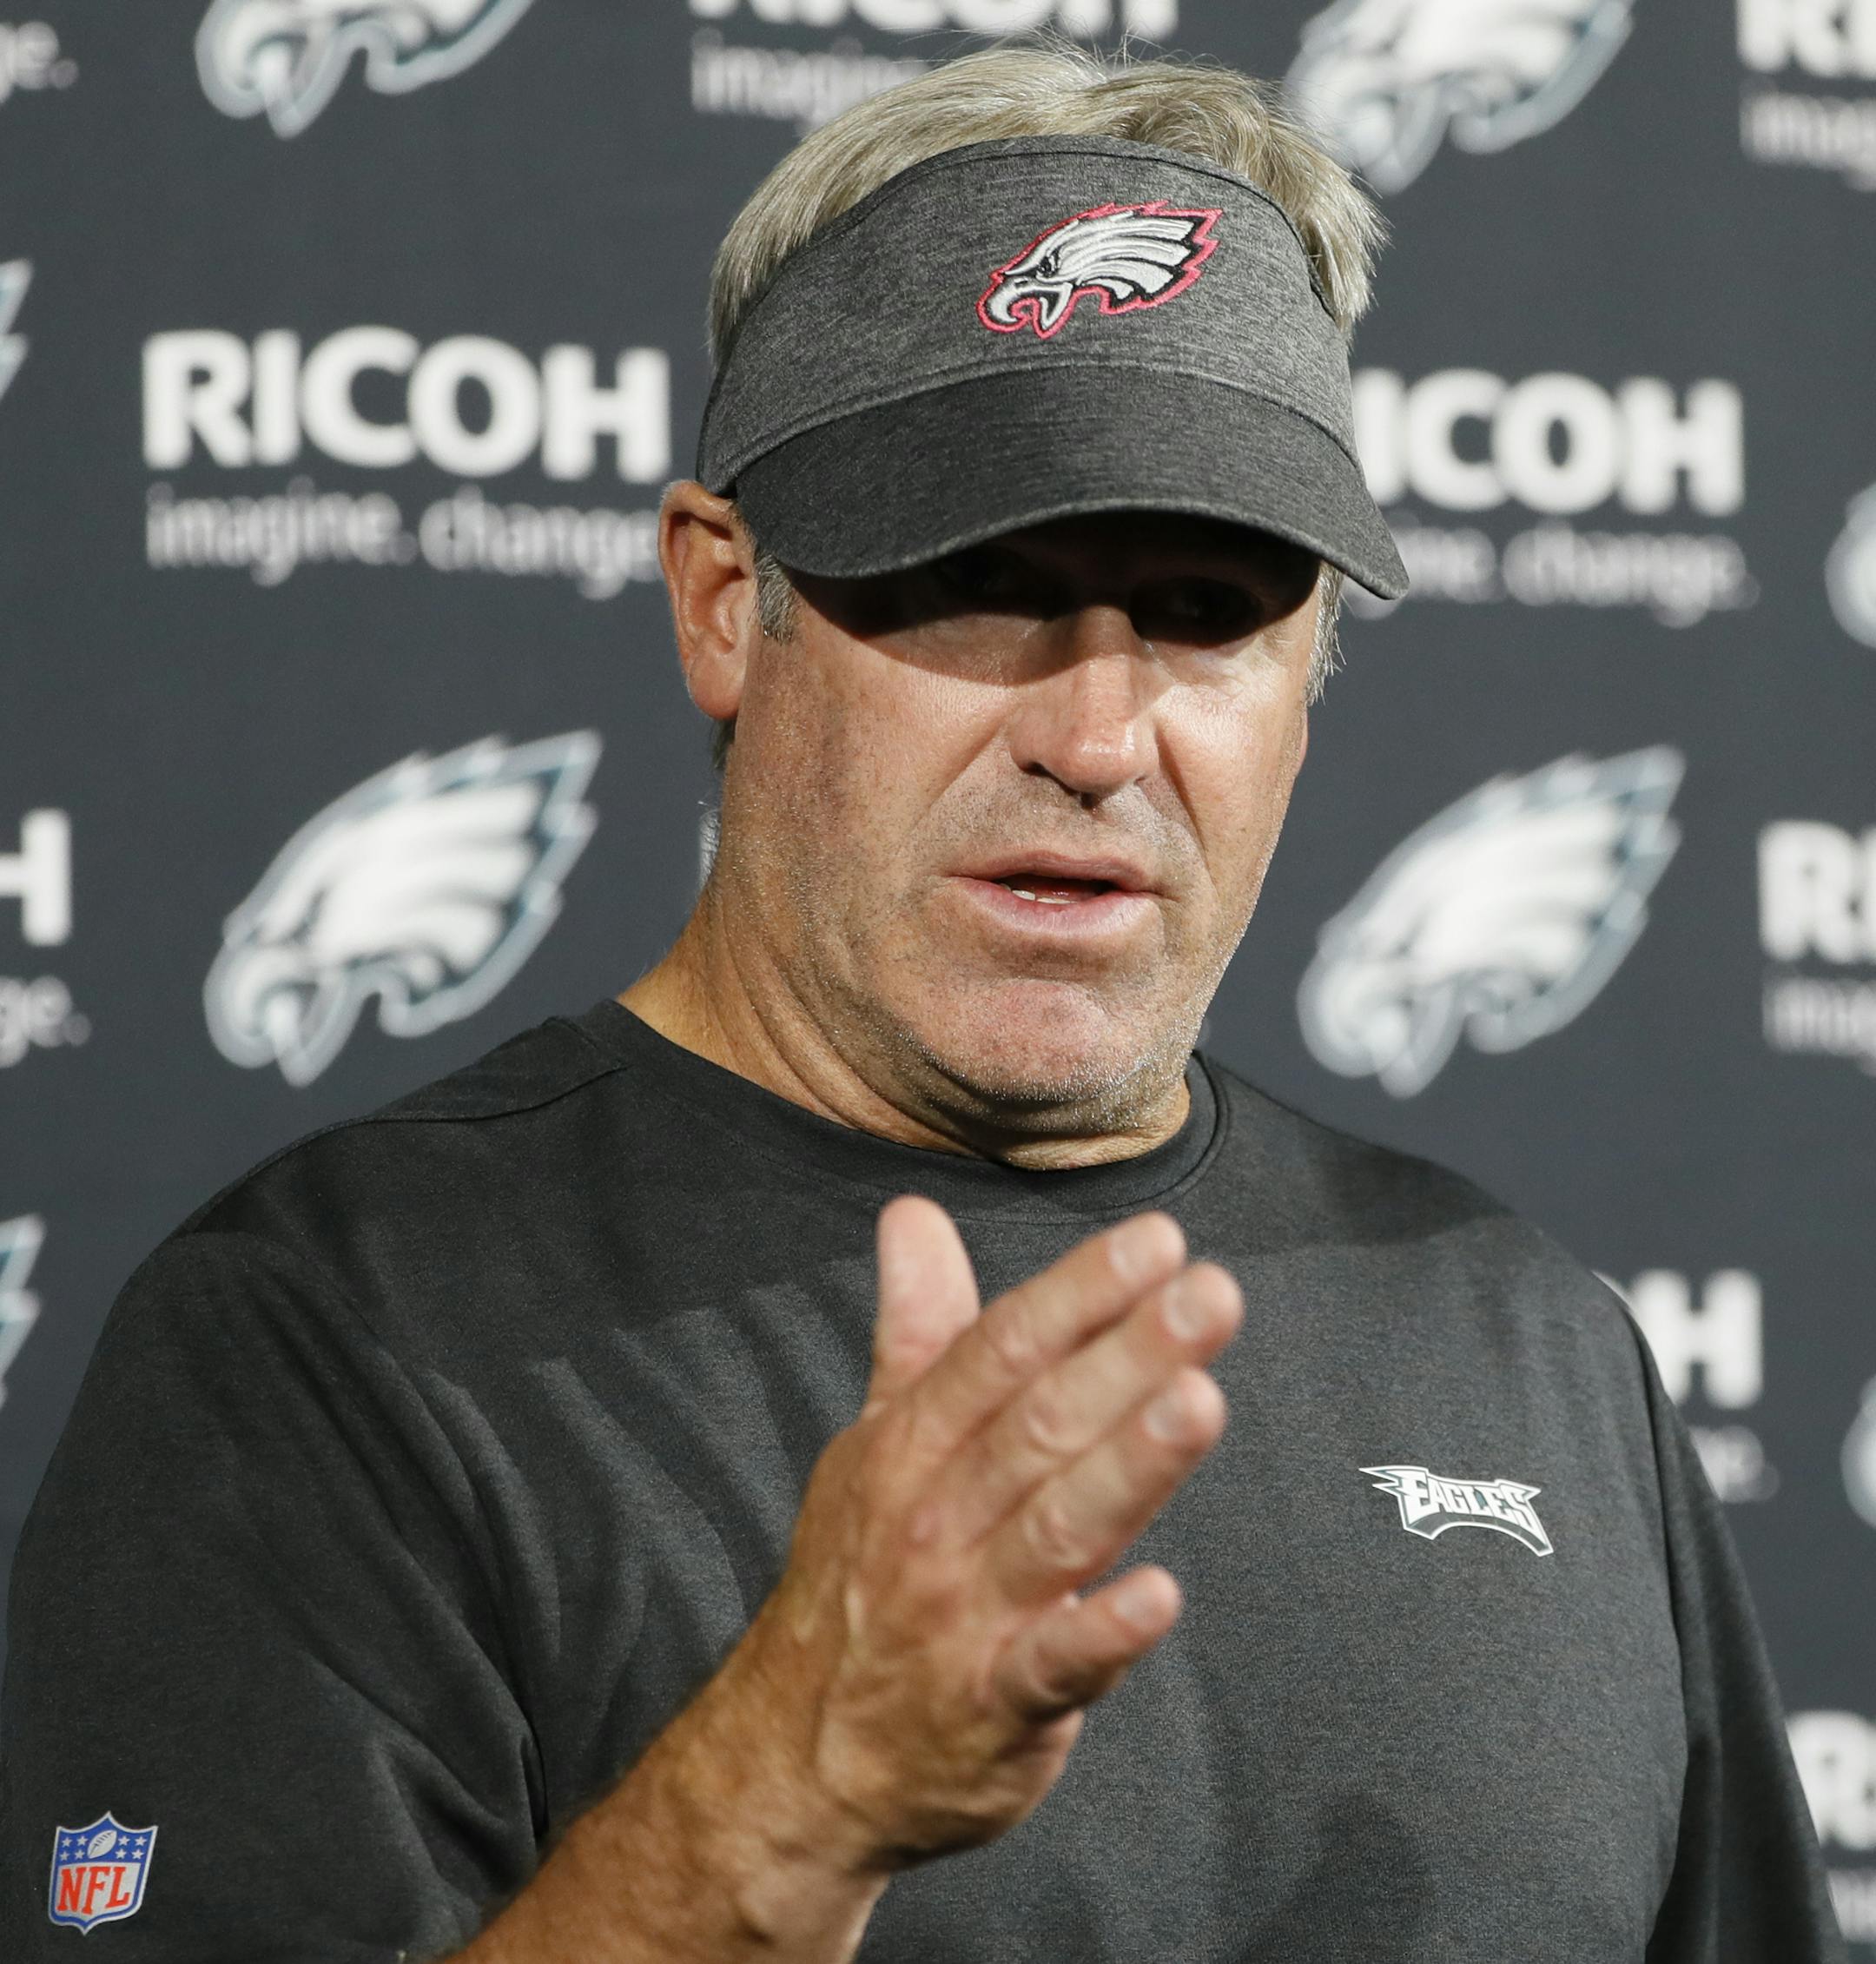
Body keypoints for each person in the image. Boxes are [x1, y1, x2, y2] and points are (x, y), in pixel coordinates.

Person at [0, 40, 1844, 1964]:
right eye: (980, 582)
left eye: (1212, 608)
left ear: (1314, 671)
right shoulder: (324, 1343)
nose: (1100, 732)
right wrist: (783, 1807)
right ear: (728, 601)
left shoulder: (1533, 1349)